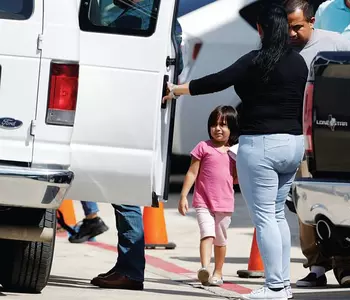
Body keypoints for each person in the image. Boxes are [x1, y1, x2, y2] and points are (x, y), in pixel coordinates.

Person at [163, 1, 308, 298]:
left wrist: (178, 90)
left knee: (266, 217)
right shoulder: (299, 62)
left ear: (260, 29)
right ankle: (283, 284)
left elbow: (216, 81)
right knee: (278, 215)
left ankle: (275, 287)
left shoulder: (255, 60)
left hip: (262, 145)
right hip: (293, 144)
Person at [89, 0, 184, 290]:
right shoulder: (163, 21)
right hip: (135, 113)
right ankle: (126, 265)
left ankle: (130, 270)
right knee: (124, 192)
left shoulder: (136, 19)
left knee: (125, 191)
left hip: (128, 114)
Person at [282, 0, 350, 289]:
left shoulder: (335, 44)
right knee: (304, 204)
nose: (291, 34)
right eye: (287, 27)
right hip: (295, 138)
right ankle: (316, 267)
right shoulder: (280, 48)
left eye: (297, 27)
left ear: (313, 21)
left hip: (330, 137)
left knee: (336, 201)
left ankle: (346, 266)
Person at [179, 105, 238, 287]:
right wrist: (183, 196)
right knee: (207, 234)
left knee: (220, 240)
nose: (218, 129)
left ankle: (218, 271)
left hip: (225, 204)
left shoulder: (235, 152)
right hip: (203, 202)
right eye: (214, 124)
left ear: (232, 129)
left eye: (223, 125)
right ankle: (204, 268)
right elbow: (191, 172)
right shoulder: (203, 147)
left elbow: (237, 178)